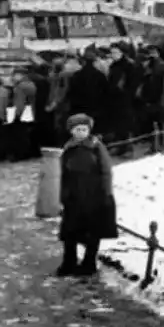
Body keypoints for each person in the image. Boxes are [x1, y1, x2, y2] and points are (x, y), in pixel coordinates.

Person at [57, 113, 117, 277]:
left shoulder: (96, 147)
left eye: (84, 129)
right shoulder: (68, 148)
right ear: (71, 131)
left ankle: (89, 263)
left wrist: (106, 192)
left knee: (92, 231)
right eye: (78, 129)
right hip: (74, 196)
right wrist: (62, 193)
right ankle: (69, 262)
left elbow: (106, 170)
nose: (81, 132)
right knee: (69, 232)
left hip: (94, 195)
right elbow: (62, 172)